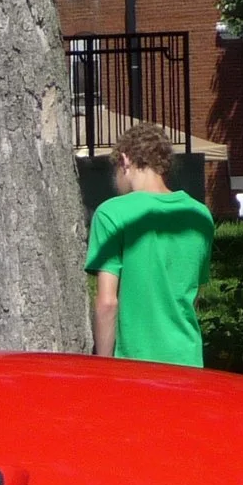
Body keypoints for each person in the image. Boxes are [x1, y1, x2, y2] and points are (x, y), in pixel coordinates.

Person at [85, 123, 215, 367]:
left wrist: (102, 367)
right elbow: (193, 293)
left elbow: (107, 302)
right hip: (188, 358)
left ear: (125, 161)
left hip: (136, 362)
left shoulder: (112, 213)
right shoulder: (200, 216)